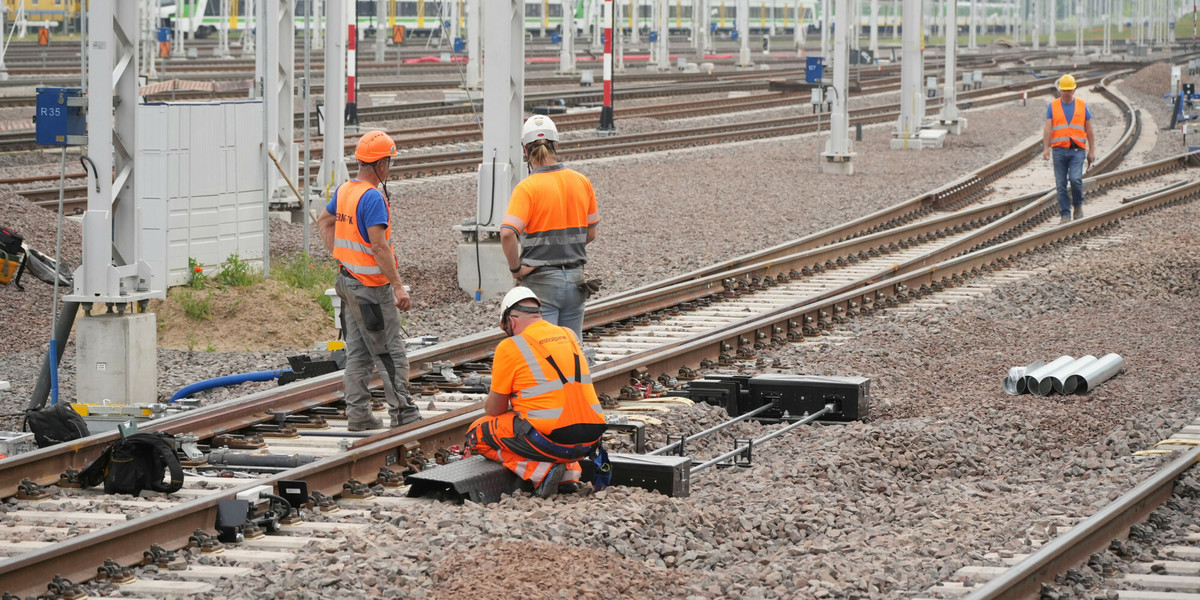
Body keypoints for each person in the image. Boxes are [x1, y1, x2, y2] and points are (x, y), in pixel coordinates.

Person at [317, 131, 422, 431]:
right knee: (390, 352)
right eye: (389, 162)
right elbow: (379, 247)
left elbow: (323, 221)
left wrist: (339, 253)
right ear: (381, 165)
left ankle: (359, 415)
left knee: (358, 352)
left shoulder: (347, 190)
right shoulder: (373, 197)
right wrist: (398, 287)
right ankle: (403, 413)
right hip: (371, 291)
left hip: (347, 283)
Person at [465, 287, 608, 499]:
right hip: (590, 439)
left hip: (550, 441)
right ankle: (569, 476)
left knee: (478, 432)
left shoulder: (510, 346)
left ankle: (541, 471)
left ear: (511, 322)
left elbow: (495, 409)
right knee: (547, 420)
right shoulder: (568, 335)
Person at [500, 115, 599, 341]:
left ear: (526, 151)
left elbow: (507, 233)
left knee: (545, 354)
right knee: (571, 352)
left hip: (541, 282)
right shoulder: (581, 181)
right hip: (576, 280)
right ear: (557, 145)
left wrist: (516, 270)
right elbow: (591, 233)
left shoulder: (527, 188)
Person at [1042, 74, 1096, 225]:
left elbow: (1089, 130)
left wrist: (1091, 151)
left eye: (1069, 90)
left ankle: (1078, 206)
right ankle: (1065, 214)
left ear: (1074, 90)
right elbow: (1047, 128)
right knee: (1060, 184)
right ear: (1060, 90)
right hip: (1059, 151)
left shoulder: (1082, 105)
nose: (1066, 93)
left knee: (1075, 180)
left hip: (1077, 151)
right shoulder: (1052, 106)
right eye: (1063, 90)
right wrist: (1046, 148)